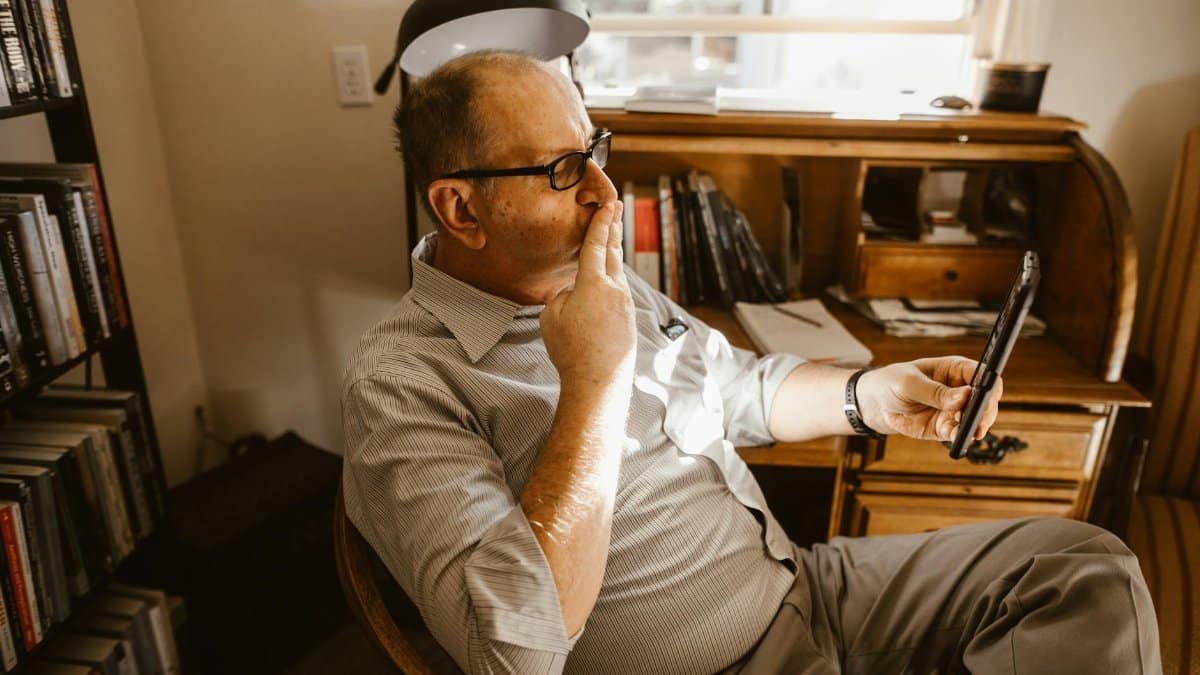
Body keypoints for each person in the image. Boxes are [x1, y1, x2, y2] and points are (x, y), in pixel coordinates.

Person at [341, 51, 1160, 675]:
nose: (605, 191)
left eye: (595, 148)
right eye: (562, 171)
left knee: (1086, 568)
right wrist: (593, 382)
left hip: (807, 588)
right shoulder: (400, 385)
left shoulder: (599, 273)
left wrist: (869, 395)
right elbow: (513, 648)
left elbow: (733, 386)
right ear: (461, 207)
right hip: (718, 664)